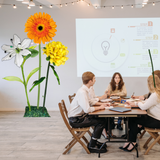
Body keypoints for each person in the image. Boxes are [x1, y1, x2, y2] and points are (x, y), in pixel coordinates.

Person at [68, 71, 110, 153]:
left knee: (100, 119)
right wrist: (100, 107)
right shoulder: (83, 92)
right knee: (101, 122)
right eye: (94, 79)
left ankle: (94, 141)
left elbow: (90, 101)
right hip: (76, 120)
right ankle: (92, 145)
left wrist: (103, 104)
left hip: (79, 117)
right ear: (90, 81)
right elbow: (87, 109)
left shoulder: (84, 90)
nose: (95, 80)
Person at [120, 75, 160, 152]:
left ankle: (132, 141)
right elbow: (147, 102)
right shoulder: (157, 92)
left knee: (133, 118)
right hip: (155, 118)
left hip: (156, 121)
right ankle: (130, 140)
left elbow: (143, 107)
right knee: (132, 118)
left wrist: (137, 103)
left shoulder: (155, 94)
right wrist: (135, 104)